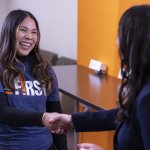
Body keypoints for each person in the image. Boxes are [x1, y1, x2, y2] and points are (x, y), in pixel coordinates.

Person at [48, 4, 150, 150]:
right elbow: (122, 115)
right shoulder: (142, 83)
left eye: (119, 34)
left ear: (134, 41)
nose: (117, 41)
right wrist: (72, 120)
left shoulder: (147, 96)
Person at [0, 9, 68, 150]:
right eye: (23, 30)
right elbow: (2, 112)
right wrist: (42, 118)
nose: (29, 37)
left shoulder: (45, 69)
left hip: (45, 146)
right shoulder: (1, 68)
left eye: (34, 32)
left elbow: (57, 118)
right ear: (9, 31)